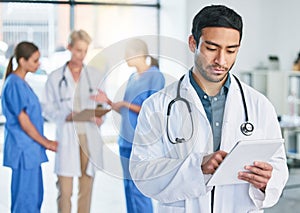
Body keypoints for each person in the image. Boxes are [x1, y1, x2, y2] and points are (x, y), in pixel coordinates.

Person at [129, 5, 289, 212]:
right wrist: (197, 167)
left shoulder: (258, 105)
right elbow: (142, 171)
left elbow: (279, 166)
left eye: (231, 50)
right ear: (193, 43)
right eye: (212, 48)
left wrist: (268, 180)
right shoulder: (157, 106)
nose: (221, 60)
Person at [91, 38, 165, 213]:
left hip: (141, 142)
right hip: (125, 141)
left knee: (139, 188)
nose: (125, 58)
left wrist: (125, 104)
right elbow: (126, 110)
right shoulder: (132, 77)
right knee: (128, 188)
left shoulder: (155, 76)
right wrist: (109, 102)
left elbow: (152, 111)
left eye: (127, 54)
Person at [42, 30, 104, 213]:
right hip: (68, 135)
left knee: (86, 187)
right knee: (65, 189)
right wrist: (64, 115)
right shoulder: (55, 77)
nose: (81, 55)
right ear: (69, 48)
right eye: (78, 50)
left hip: (88, 134)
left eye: (85, 51)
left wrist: (100, 117)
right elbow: (46, 107)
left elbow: (101, 103)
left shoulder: (94, 75)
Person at [1, 41, 58, 213]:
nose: (38, 64)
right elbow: (24, 122)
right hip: (24, 152)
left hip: (30, 153)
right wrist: (47, 143)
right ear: (22, 61)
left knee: (34, 199)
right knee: (25, 202)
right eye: (35, 60)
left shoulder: (22, 83)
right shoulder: (14, 84)